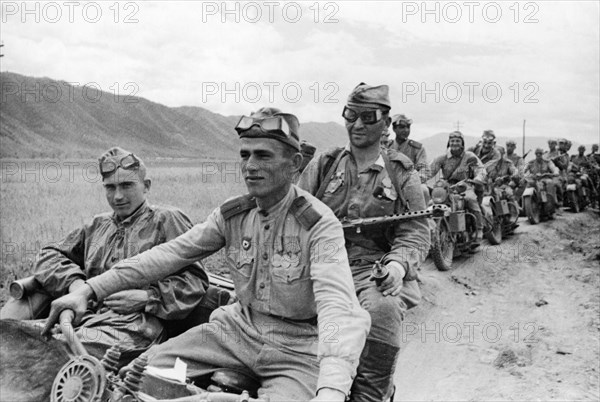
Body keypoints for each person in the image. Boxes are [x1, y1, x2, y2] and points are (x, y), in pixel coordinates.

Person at [43, 107, 371, 402]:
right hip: (232, 332)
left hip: (296, 349)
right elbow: (165, 256)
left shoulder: (318, 224)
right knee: (144, 377)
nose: (251, 166)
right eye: (245, 155)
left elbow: (337, 311)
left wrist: (331, 390)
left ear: (294, 164)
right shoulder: (232, 215)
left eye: (264, 156)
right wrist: (89, 289)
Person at [1, 147, 208, 365]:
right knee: (16, 338)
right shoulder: (96, 225)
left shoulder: (167, 220)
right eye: (110, 187)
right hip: (85, 318)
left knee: (46, 353)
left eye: (127, 185)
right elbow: (48, 254)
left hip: (134, 327)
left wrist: (148, 298)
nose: (118, 196)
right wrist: (76, 285)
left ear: (146, 186)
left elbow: (195, 281)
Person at [299, 83, 430, 402]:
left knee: (381, 310)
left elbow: (415, 230)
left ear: (385, 123)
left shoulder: (401, 173)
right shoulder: (326, 164)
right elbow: (297, 212)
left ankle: (372, 394)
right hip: (320, 264)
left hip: (372, 270)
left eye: (368, 117)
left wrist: (398, 266)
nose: (357, 124)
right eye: (350, 114)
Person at [430, 131, 487, 242]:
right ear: (449, 142)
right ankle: (432, 232)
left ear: (462, 143)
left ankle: (479, 229)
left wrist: (478, 178)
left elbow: (480, 169)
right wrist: (418, 179)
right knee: (432, 204)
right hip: (447, 187)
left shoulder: (469, 156)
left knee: (471, 200)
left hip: (465, 185)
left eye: (457, 141)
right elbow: (429, 171)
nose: (455, 143)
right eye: (452, 141)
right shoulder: (442, 157)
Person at [391, 113, 431, 203]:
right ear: (394, 128)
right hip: (389, 184)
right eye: (401, 127)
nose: (406, 130)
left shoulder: (417, 148)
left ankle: (422, 217)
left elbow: (424, 170)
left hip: (412, 184)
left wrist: (412, 181)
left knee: (423, 190)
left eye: (408, 127)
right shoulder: (387, 147)